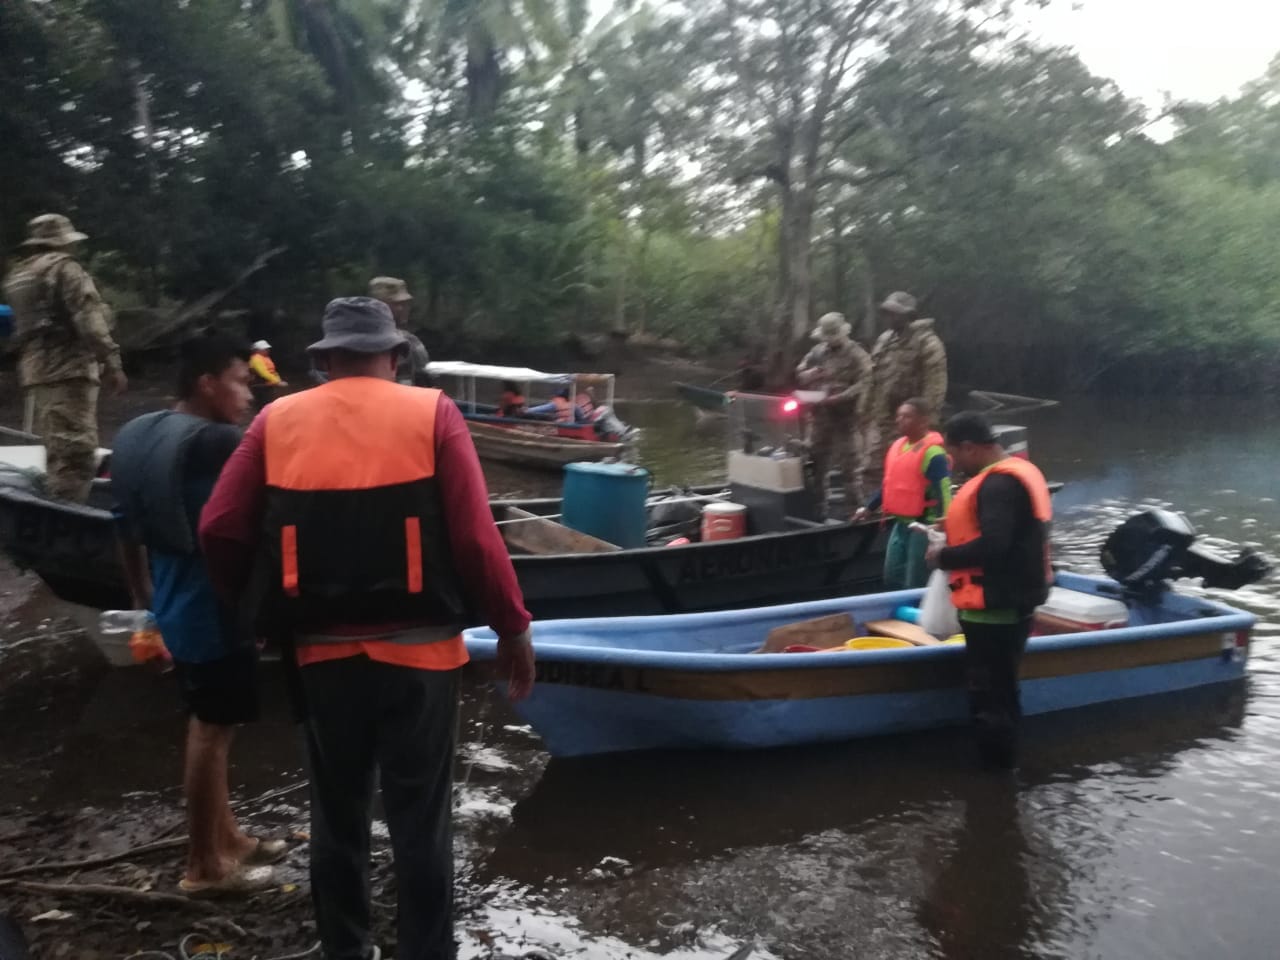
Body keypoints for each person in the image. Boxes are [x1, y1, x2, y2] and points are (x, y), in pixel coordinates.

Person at [199, 297, 535, 960]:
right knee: (420, 827)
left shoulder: (274, 419)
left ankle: (346, 950)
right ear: (396, 355)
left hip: (321, 660)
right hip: (423, 660)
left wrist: (254, 612)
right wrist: (513, 630)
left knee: (338, 821)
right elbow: (474, 539)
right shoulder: (433, 411)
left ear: (324, 361)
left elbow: (218, 529)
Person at [111, 334, 281, 896]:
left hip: (173, 606)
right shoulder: (219, 442)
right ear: (208, 384)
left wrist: (145, 604)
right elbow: (245, 533)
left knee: (213, 727)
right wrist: (259, 613)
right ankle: (204, 866)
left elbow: (125, 528)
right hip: (215, 611)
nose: (248, 397)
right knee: (211, 731)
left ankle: (227, 837)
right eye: (240, 382)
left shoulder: (139, 431)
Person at [925, 411, 1052, 769]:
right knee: (999, 692)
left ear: (969, 448)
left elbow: (996, 545)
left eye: (954, 456)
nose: (953, 466)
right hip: (1005, 603)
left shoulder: (998, 485)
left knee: (992, 697)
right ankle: (998, 783)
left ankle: (996, 782)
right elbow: (1005, 530)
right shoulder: (1011, 476)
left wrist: (942, 556)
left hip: (997, 608)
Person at [3, 214, 127, 502]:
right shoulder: (65, 269)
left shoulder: (20, 275)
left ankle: (54, 511)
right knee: (77, 455)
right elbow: (89, 321)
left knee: (58, 451)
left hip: (36, 372)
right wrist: (112, 362)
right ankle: (68, 522)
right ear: (63, 242)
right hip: (69, 370)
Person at [854, 398, 951, 589]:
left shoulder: (933, 453)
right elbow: (890, 485)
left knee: (915, 580)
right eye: (898, 416)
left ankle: (915, 616)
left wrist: (943, 526)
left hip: (923, 526)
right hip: (901, 524)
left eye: (906, 416)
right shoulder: (899, 446)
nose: (899, 420)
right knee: (892, 575)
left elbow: (943, 491)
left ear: (923, 421)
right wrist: (869, 507)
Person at [795, 311, 873, 517]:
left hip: (845, 419)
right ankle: (819, 509)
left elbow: (867, 381)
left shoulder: (857, 354)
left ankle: (854, 512)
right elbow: (800, 372)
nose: (829, 341)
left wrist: (841, 396)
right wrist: (808, 374)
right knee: (816, 464)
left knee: (851, 468)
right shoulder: (817, 351)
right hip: (820, 417)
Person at [869, 291, 947, 468]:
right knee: (873, 470)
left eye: (894, 313)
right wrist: (868, 412)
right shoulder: (884, 341)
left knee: (913, 468)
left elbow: (935, 385)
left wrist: (925, 423)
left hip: (913, 422)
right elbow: (874, 377)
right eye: (887, 313)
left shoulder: (927, 342)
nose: (889, 317)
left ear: (908, 315)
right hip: (884, 420)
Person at [369, 276, 431, 386]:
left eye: (406, 303)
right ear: (380, 306)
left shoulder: (352, 338)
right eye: (398, 304)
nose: (404, 308)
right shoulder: (408, 341)